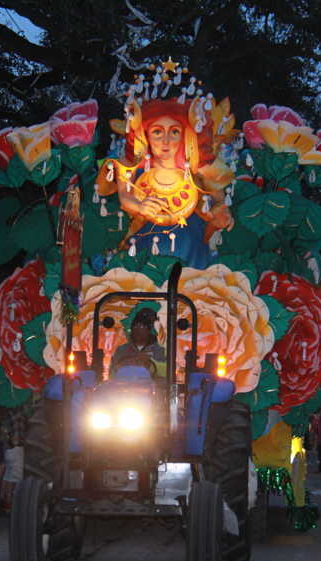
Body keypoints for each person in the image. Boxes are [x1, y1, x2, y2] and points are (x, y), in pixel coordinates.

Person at [102, 97, 234, 268]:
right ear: (145, 134)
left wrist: (217, 220)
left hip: (191, 245)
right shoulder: (130, 164)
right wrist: (140, 206)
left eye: (174, 132)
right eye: (157, 132)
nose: (166, 140)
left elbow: (219, 202)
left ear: (184, 134)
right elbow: (124, 195)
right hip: (144, 241)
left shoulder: (199, 167)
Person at [110, 307, 166, 374]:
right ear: (132, 329)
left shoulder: (160, 349)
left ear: (148, 331)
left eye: (142, 327)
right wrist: (117, 370)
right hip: (127, 384)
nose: (138, 330)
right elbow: (111, 373)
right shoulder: (121, 350)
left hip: (152, 384)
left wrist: (149, 364)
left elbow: (166, 371)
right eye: (135, 327)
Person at [0, 405, 26, 514]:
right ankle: (8, 506)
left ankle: (1, 502)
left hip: (9, 447)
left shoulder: (6, 412)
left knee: (7, 476)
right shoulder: (17, 409)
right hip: (17, 446)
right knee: (14, 477)